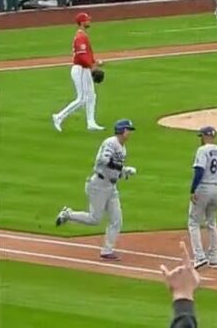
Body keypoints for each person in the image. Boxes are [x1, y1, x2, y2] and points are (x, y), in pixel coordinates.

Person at [55, 119, 138, 260]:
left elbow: (113, 168)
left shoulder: (122, 148)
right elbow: (103, 160)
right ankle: (68, 214)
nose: (129, 132)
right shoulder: (111, 143)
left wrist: (123, 173)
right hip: (98, 185)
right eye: (128, 130)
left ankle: (107, 251)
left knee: (117, 220)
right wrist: (123, 168)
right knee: (95, 219)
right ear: (122, 130)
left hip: (111, 186)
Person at [51, 13, 105, 132]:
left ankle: (91, 122)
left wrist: (95, 62)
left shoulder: (83, 35)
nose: (89, 21)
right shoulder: (80, 37)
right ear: (82, 22)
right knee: (82, 98)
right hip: (80, 70)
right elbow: (81, 57)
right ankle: (59, 117)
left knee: (91, 95)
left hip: (84, 69)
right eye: (87, 20)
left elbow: (86, 55)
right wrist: (92, 66)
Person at [188, 126, 217, 269]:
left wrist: (193, 190)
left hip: (203, 187)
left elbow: (199, 170)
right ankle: (214, 258)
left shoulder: (202, 150)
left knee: (193, 222)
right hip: (216, 188)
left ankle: (199, 257)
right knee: (211, 222)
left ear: (205, 136)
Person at [161, 241, 203, 328]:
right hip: (185, 317)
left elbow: (188, 266)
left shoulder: (184, 320)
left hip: (183, 318)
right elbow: (188, 267)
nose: (179, 270)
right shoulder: (190, 283)